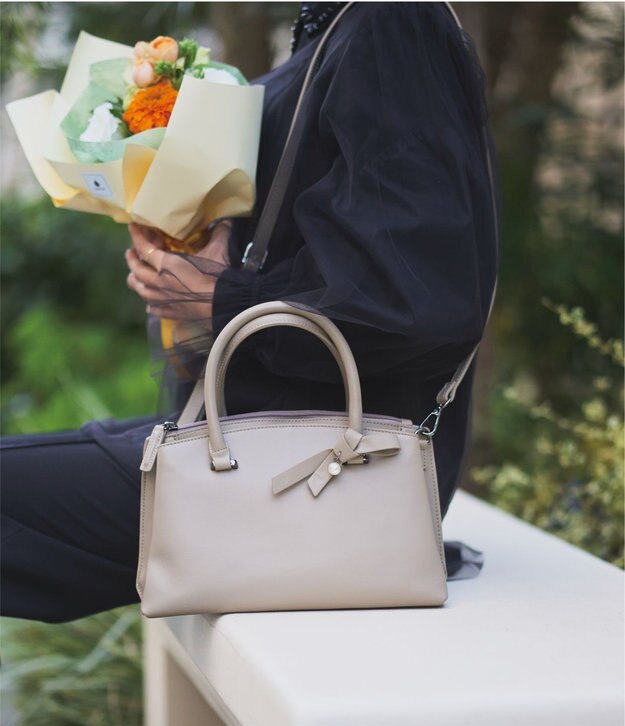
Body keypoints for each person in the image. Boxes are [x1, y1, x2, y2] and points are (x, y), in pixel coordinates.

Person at [1, 2, 500, 623]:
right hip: (259, 448)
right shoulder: (338, 26)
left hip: (316, 475)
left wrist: (220, 297)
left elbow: (414, 297)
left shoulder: (391, 23)